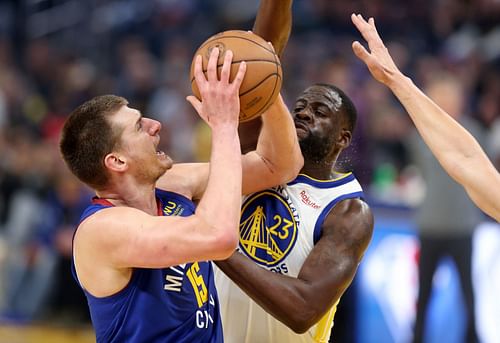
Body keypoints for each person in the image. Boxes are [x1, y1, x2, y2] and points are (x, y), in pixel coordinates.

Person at [59, 46, 303, 342]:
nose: (155, 125)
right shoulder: (101, 231)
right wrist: (225, 125)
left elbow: (279, 164)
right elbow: (219, 237)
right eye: (139, 126)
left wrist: (267, 85)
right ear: (117, 161)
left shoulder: (171, 184)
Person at [214, 4, 374, 342]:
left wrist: (216, 245)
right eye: (298, 107)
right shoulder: (255, 155)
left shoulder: (347, 210)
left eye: (319, 111)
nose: (303, 113)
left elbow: (302, 309)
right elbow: (262, 57)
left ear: (343, 138)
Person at [351, 13, 500, 222]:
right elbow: (466, 160)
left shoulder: (476, 130)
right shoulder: (417, 136)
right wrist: (395, 79)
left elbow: (467, 161)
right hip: (429, 222)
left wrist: (396, 80)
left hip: (463, 227)